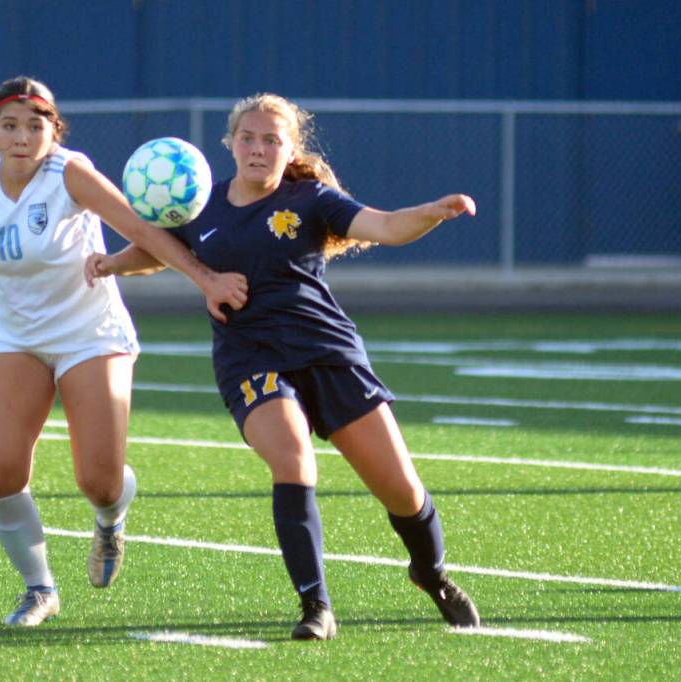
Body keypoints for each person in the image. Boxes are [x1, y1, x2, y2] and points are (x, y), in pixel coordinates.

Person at [85, 93, 480, 640]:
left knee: (403, 492)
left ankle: (431, 574)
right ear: (230, 144)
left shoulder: (313, 199)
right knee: (294, 460)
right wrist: (109, 263)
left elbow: (386, 226)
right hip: (250, 358)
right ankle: (315, 605)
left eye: (272, 139)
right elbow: (161, 249)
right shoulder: (202, 203)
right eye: (248, 137)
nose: (258, 148)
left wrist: (433, 213)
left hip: (328, 352)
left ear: (291, 148)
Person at [0, 76, 248, 627]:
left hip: (91, 334)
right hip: (16, 337)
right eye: (10, 125)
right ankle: (38, 588)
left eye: (36, 125)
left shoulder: (70, 173)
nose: (23, 136)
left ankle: (111, 520)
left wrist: (207, 279)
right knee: (0, 474)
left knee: (99, 482)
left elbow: (144, 231)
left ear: (54, 130)